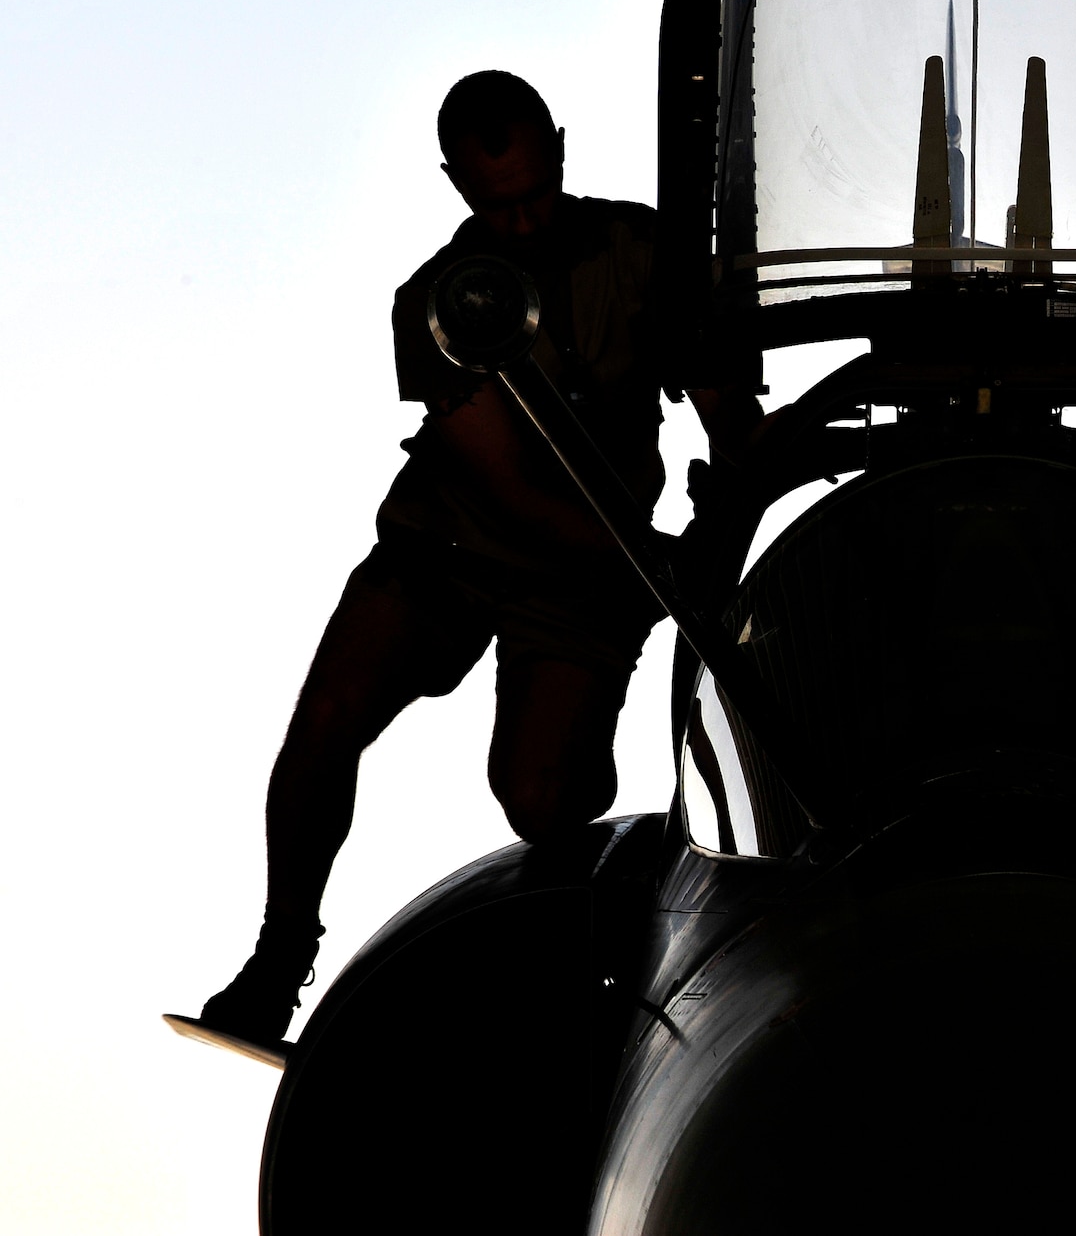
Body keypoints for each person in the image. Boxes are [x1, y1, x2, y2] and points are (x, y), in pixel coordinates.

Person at [196, 71, 748, 1046]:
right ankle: (278, 960)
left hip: (589, 582)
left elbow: (725, 408)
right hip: (450, 547)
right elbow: (507, 491)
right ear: (456, 184)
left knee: (543, 799)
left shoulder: (642, 252)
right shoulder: (435, 307)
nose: (526, 220)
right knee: (326, 716)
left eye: (539, 189)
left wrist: (730, 501)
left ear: (562, 147)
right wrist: (654, 562)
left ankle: (621, 920)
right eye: (500, 203)